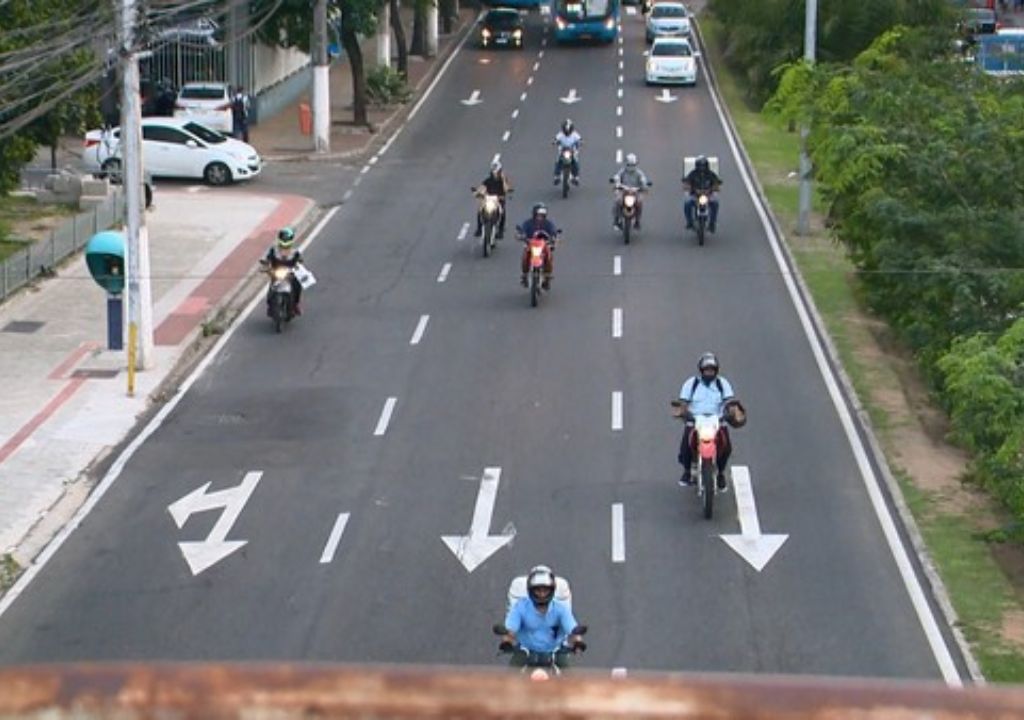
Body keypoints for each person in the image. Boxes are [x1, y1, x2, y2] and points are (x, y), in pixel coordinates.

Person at [500, 565, 584, 669]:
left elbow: (572, 629)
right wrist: (507, 641)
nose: (542, 594)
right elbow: (511, 629)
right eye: (538, 590)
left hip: (555, 652)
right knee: (510, 680)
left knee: (570, 682)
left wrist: (577, 642)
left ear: (552, 590)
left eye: (545, 590)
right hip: (525, 651)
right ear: (530, 590)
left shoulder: (561, 609)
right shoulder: (520, 607)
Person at [676, 352, 736, 490]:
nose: (709, 372)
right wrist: (684, 413)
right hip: (696, 420)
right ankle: (687, 472)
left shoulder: (722, 383)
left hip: (717, 420)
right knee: (686, 445)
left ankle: (721, 473)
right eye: (706, 370)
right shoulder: (691, 383)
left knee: (726, 447)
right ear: (701, 370)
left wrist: (731, 412)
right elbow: (683, 402)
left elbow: (729, 401)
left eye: (712, 370)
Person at [516, 203, 560, 290]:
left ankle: (547, 277)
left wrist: (554, 238)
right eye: (538, 215)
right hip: (531, 245)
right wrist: (521, 235)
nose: (540, 217)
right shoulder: (528, 223)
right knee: (525, 256)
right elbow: (522, 230)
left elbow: (553, 232)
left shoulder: (548, 224)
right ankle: (525, 275)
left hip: (543, 246)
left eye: (542, 215)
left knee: (549, 256)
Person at [262, 227, 304, 315]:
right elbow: (267, 259)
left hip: (289, 275)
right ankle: (270, 305)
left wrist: (298, 266)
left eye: (287, 238)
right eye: (283, 238)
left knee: (297, 285)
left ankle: (296, 304)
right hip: (276, 273)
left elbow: (299, 261)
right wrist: (266, 266)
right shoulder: (273, 250)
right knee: (271, 288)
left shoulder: (295, 252)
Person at [611, 152, 652, 230]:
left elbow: (643, 180)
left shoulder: (639, 173)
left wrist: (644, 185)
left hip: (635, 192)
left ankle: (637, 220)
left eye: (632, 165)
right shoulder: (622, 171)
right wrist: (616, 181)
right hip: (624, 191)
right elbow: (617, 176)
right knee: (617, 201)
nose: (631, 167)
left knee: (639, 202)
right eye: (629, 165)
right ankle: (616, 220)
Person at [474, 160, 513, 239]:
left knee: (502, 212)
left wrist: (504, 181)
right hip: (489, 199)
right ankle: (479, 228)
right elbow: (482, 187)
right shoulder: (488, 180)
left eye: (497, 171)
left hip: (499, 200)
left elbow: (507, 189)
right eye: (494, 171)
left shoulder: (503, 180)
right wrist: (478, 192)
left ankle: (501, 230)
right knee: (480, 209)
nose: (495, 173)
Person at [682, 155, 721, 233]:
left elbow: (717, 183)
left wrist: (714, 188)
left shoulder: (711, 174)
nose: (702, 168)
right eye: (700, 166)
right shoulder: (693, 174)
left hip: (708, 195)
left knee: (715, 203)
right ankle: (689, 222)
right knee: (687, 203)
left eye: (703, 166)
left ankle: (712, 223)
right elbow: (686, 182)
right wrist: (689, 187)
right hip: (695, 195)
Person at [552, 118, 582, 185]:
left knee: (575, 162)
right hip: (562, 150)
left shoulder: (575, 134)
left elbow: (580, 139)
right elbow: (556, 139)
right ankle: (556, 176)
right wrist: (555, 142)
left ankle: (576, 177)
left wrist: (580, 142)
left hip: (572, 151)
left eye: (568, 130)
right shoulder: (560, 134)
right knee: (558, 162)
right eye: (566, 130)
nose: (567, 132)